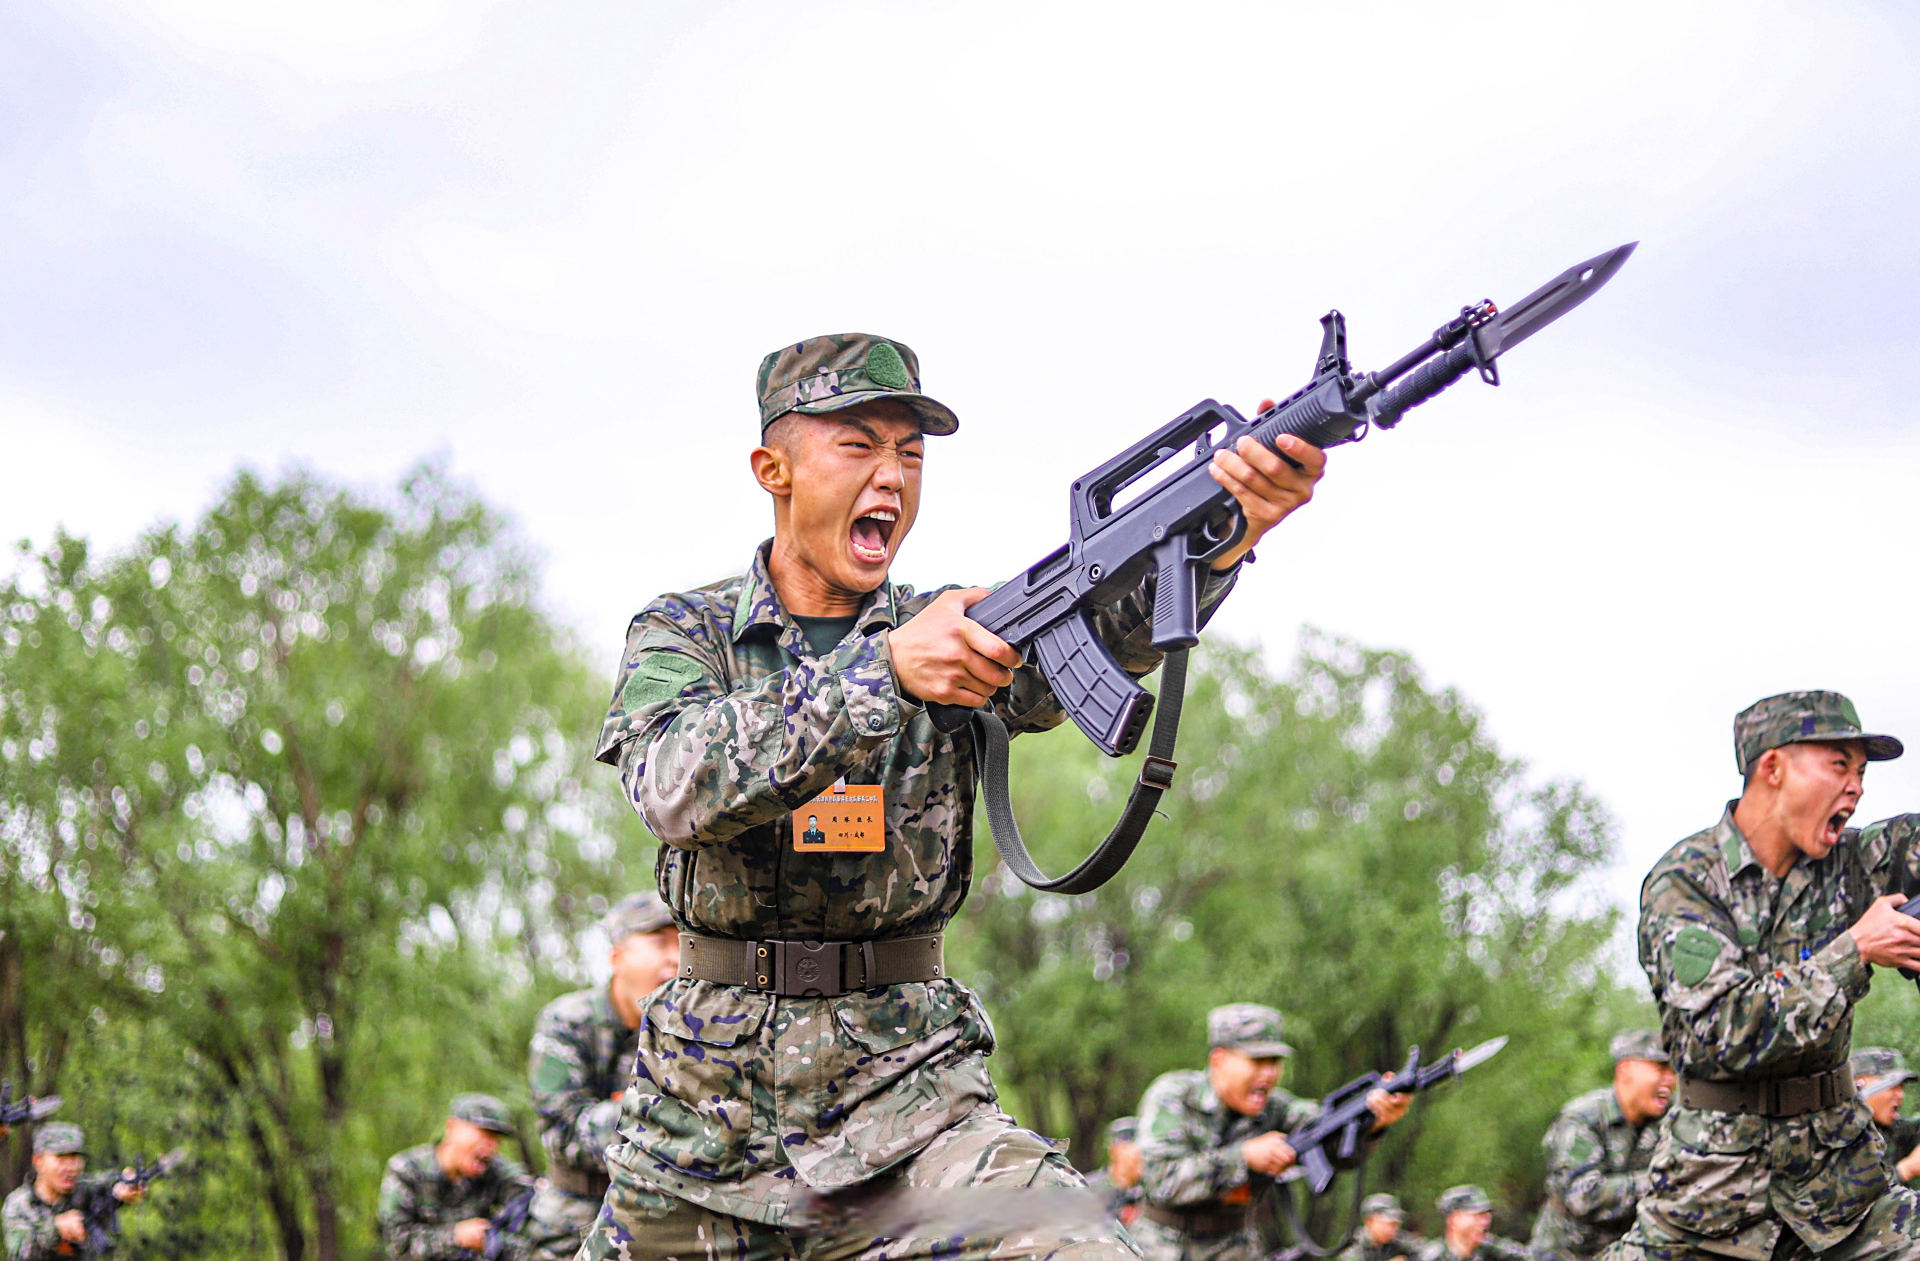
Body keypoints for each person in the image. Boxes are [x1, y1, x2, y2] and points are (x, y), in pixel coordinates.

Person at [584, 333, 1325, 1261]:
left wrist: (1227, 537)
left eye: (911, 452)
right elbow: (672, 785)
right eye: (858, 446)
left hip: (915, 1120)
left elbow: (1082, 650)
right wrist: (882, 672)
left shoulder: (961, 631)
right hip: (700, 1137)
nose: (891, 477)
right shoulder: (683, 631)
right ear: (773, 467)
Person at [1604, 690, 1920, 1261]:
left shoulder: (1855, 865)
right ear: (1773, 768)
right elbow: (1727, 1031)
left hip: (1844, 1192)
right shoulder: (1686, 883)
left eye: (1863, 771)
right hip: (1710, 1202)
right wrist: (1856, 950)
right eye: (1839, 765)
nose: (1858, 786)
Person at [1134, 1003, 1411, 1261]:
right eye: (1257, 1061)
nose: (1268, 1074)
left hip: (1233, 1249)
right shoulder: (1174, 1097)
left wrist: (1372, 1122)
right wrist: (1243, 1158)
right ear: (1219, 1060)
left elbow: (1328, 1136)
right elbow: (1162, 1181)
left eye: (1274, 1061)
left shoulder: (1277, 1107)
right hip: (1160, 1248)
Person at [525, 893, 679, 1261]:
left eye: (683, 943)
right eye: (659, 942)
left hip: (665, 1213)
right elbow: (563, 1131)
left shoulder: (689, 1025)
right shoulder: (568, 1021)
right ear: (617, 957)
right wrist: (654, 1109)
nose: (676, 957)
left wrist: (622, 1109)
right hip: (575, 1215)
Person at [1531, 1029, 1676, 1261]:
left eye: (1674, 1070)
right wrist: (1663, 1182)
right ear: (1625, 1069)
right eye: (1660, 1068)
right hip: (1566, 1255)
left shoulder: (1672, 1120)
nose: (1670, 1079)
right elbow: (1583, 1196)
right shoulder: (1581, 1119)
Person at [378, 1094, 534, 1261]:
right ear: (451, 1127)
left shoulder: (498, 1173)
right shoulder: (408, 1170)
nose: (491, 1146)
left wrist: (492, 1242)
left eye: (496, 1138)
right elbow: (397, 1244)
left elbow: (533, 1211)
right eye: (484, 1134)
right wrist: (456, 1237)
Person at [2, 1123, 148, 1260]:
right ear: (38, 1161)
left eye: (75, 1158)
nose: (71, 1167)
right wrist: (56, 1230)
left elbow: (106, 1182)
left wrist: (125, 1184)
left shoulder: (84, 1190)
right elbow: (19, 1251)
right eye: (61, 1157)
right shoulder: (19, 1204)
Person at [1851, 1048, 1920, 1187]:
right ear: (1860, 1083)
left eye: (1901, 1087)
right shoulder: (1837, 1135)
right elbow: (1848, 1199)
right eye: (1892, 1086)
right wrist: (1905, 1170)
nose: (1900, 1095)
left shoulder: (1890, 1129)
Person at [1413, 1187, 1528, 1261]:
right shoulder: (1432, 1257)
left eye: (1486, 1215)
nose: (1485, 1221)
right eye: (1477, 1215)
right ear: (1454, 1220)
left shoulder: (1493, 1251)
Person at [1085, 1117, 1144, 1226]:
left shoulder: (1149, 1190)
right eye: (1124, 1148)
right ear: (1112, 1150)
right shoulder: (1090, 1187)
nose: (1131, 1156)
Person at [1340, 1193, 1425, 1261]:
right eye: (1389, 1223)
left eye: (1396, 1224)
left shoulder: (1397, 1239)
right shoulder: (1353, 1245)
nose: (1393, 1229)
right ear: (1370, 1221)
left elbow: (1426, 1251)